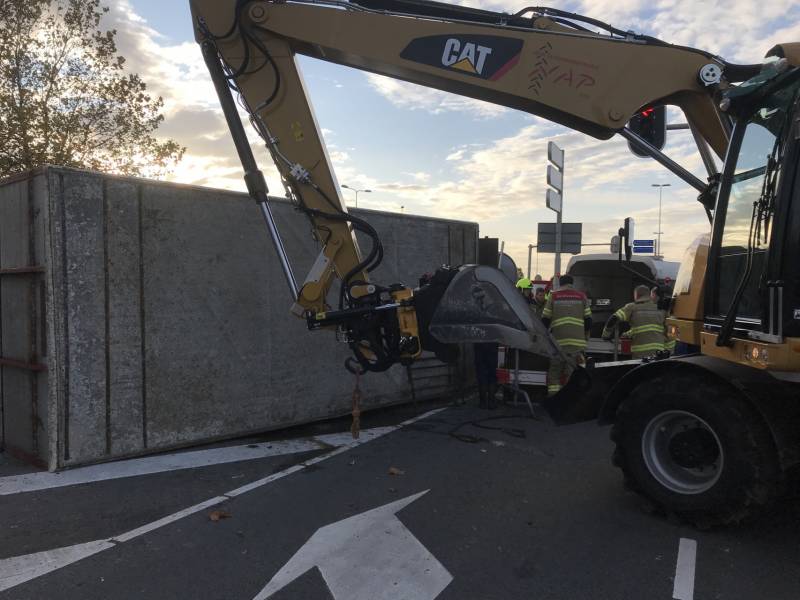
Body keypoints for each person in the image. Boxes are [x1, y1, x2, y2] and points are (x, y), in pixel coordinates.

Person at [541, 275, 591, 396]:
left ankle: (554, 401)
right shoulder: (581, 296)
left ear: (560, 284)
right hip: (577, 346)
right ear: (572, 284)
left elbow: (545, 320)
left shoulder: (553, 296)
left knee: (554, 375)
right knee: (573, 376)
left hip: (558, 344)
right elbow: (589, 321)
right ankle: (569, 405)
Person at [602, 284, 668, 359]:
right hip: (659, 351)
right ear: (648, 295)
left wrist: (606, 335)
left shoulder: (632, 307)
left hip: (641, 354)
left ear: (636, 295)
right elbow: (649, 328)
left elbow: (614, 318)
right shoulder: (661, 308)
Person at [473, 342, 499, 409]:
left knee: (482, 379)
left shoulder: (478, 332)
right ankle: (491, 402)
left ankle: (483, 403)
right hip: (492, 352)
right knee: (492, 378)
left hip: (480, 352)